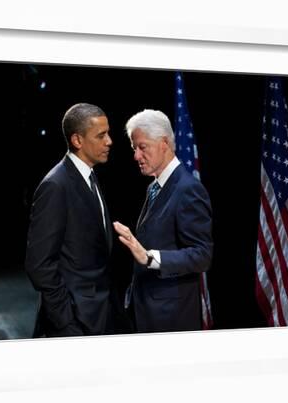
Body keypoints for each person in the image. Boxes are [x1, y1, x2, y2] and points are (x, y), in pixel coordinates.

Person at [113, 109, 213, 333]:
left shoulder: (189, 189)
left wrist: (150, 258)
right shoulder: (154, 187)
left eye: (142, 147)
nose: (136, 156)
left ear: (164, 143)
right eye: (134, 148)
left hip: (172, 319)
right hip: (147, 310)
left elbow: (202, 255)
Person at [25, 103, 113, 337]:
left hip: (97, 314)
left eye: (108, 133)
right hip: (74, 321)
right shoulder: (56, 185)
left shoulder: (89, 177)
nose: (109, 141)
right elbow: (39, 265)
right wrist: (66, 323)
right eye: (101, 135)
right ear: (77, 140)